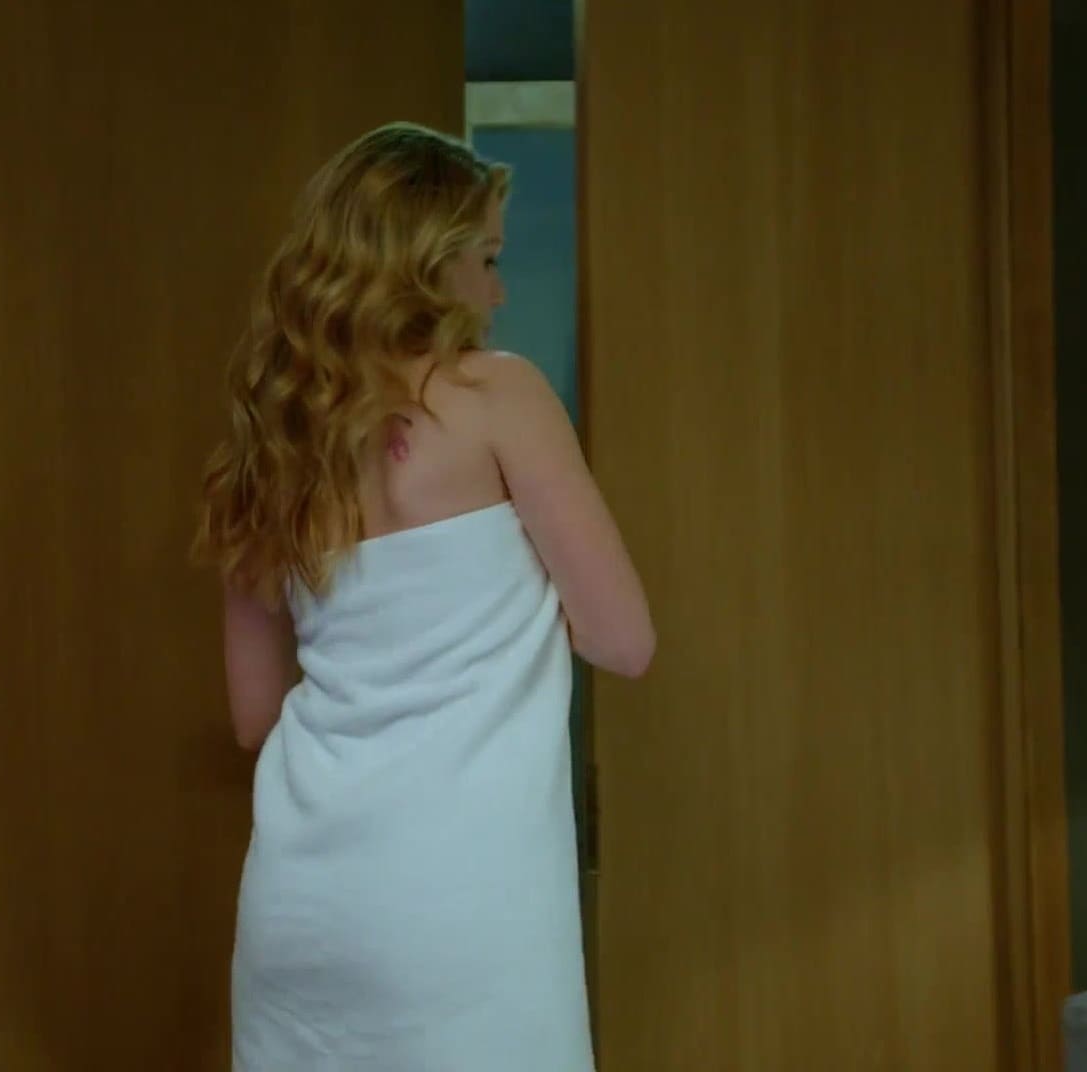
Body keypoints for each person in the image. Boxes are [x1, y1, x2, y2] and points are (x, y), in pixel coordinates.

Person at [193, 122, 654, 1071]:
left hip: (301, 907)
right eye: (486, 258)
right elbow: (622, 640)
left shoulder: (273, 440)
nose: (497, 290)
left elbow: (253, 718)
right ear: (426, 263)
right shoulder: (497, 398)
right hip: (461, 909)